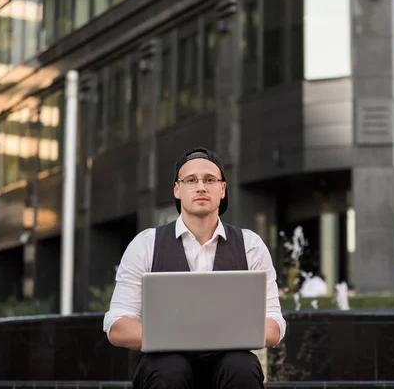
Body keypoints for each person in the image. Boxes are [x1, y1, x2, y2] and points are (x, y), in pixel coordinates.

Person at [103, 147, 287, 389]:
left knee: (242, 366)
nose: (201, 186)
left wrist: (213, 335)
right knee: (168, 368)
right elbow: (117, 325)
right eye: (191, 180)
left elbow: (274, 324)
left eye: (210, 180)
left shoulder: (250, 245)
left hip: (228, 364)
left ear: (222, 189)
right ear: (177, 190)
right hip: (165, 367)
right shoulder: (146, 244)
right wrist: (177, 336)